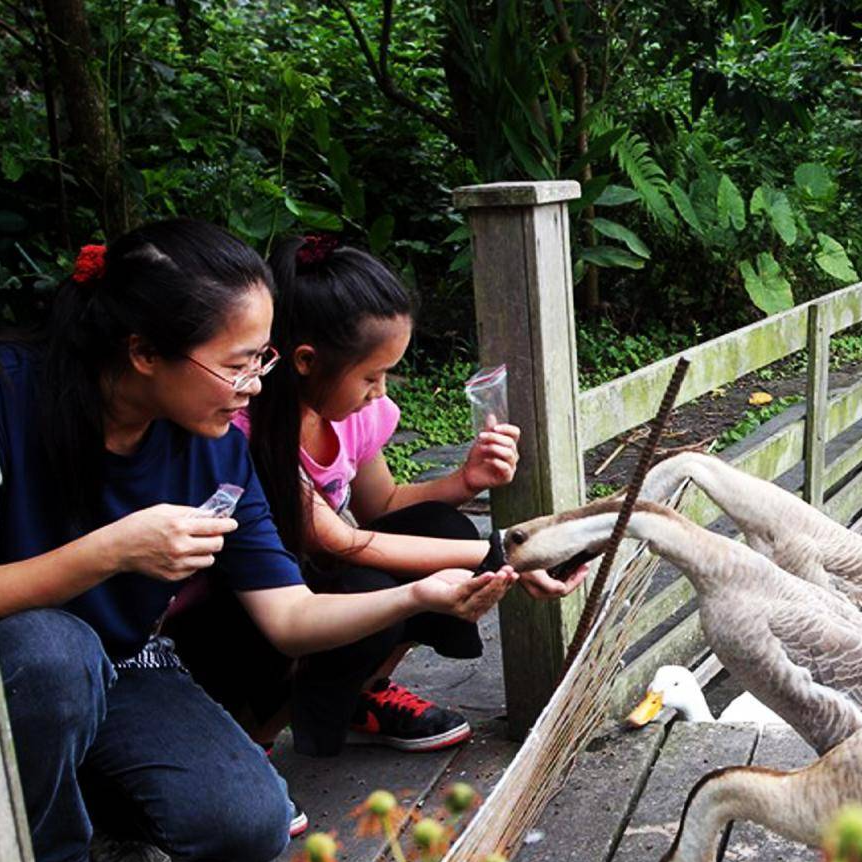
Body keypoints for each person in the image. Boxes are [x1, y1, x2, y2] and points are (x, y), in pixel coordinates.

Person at [0, 220, 517, 862]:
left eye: (262, 358)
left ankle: (84, 809)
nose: (257, 385)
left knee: (250, 825)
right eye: (238, 364)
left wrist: (420, 595)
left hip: (127, 665)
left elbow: (288, 618)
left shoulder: (217, 435)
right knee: (51, 649)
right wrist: (110, 551)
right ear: (143, 352)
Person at [166, 235, 582, 757]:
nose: (381, 392)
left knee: (441, 525)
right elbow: (338, 540)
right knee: (367, 583)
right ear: (304, 360)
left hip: (315, 580)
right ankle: (254, 737)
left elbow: (380, 507)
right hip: (243, 611)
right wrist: (506, 554)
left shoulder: (357, 415)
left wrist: (465, 481)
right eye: (371, 375)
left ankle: (362, 695)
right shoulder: (242, 432)